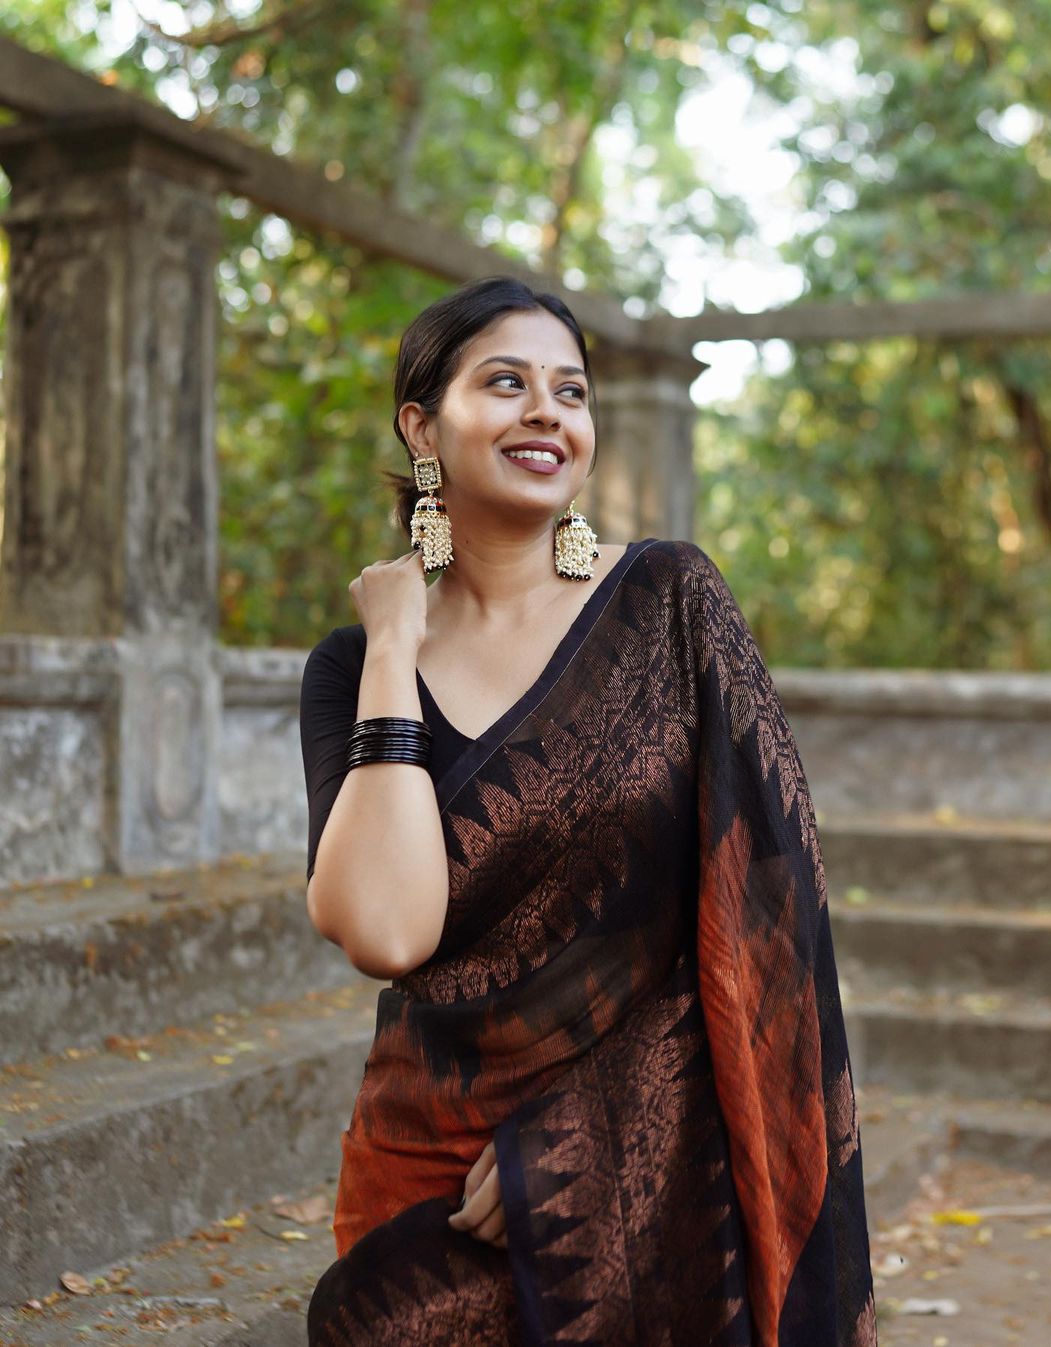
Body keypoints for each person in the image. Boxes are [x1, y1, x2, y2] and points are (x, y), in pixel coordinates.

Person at [300, 275, 877, 1346]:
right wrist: (392, 643)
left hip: (656, 1148)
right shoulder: (355, 667)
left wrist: (572, 1137)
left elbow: (769, 909)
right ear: (422, 425)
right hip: (430, 1152)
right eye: (505, 383)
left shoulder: (667, 603)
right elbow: (387, 930)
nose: (546, 413)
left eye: (571, 391)